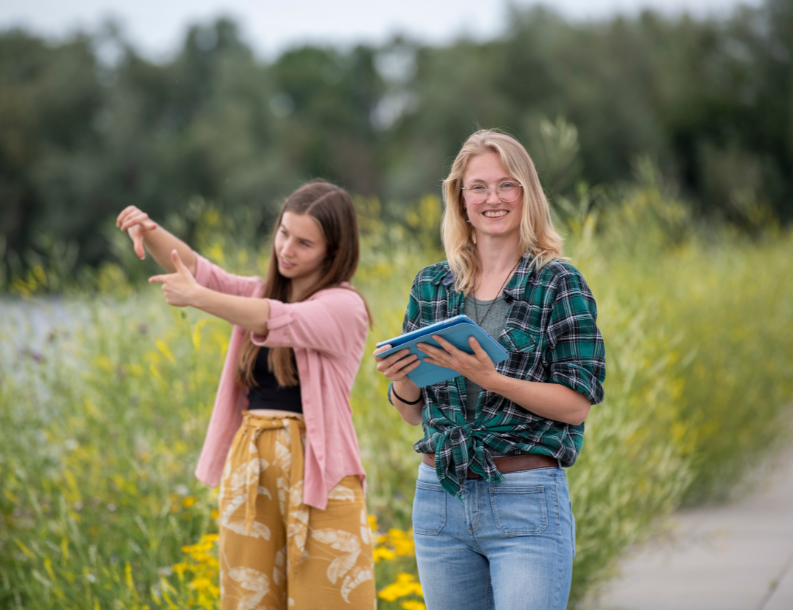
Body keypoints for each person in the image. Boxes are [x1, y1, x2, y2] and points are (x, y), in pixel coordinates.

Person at [116, 181, 376, 610]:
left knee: (330, 598)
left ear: (333, 252)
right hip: (251, 464)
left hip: (321, 472)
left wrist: (199, 299)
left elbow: (278, 318)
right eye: (283, 233)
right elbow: (198, 270)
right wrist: (150, 228)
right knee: (249, 599)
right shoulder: (258, 291)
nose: (286, 249)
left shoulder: (344, 307)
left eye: (304, 242)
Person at [374, 130, 606, 609]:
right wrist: (401, 377)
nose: (492, 198)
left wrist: (491, 378)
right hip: (440, 498)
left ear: (527, 194)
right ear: (460, 199)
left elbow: (576, 406)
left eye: (507, 185)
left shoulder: (559, 283)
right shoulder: (432, 284)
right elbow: (412, 414)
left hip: (525, 501)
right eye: (478, 187)